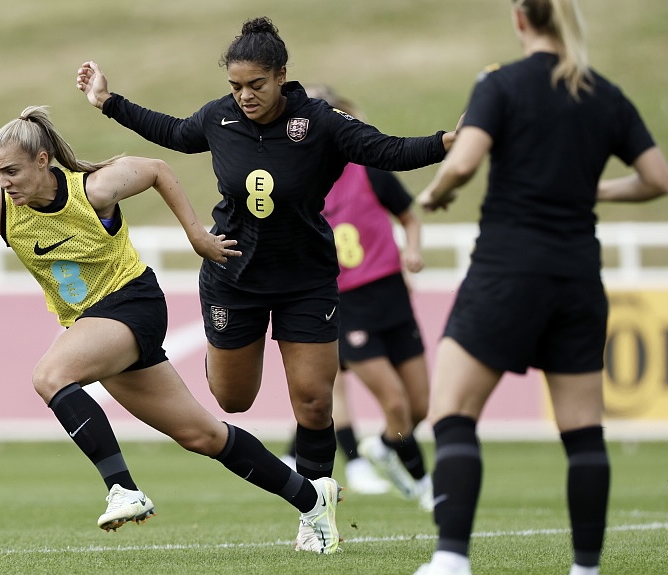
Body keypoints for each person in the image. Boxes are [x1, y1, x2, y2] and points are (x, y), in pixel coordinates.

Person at [76, 17, 455, 497]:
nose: (245, 96)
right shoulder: (219, 117)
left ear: (281, 76)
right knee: (233, 400)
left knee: (314, 403)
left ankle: (317, 511)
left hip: (305, 279)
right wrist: (107, 101)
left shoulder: (320, 121)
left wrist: (448, 142)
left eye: (256, 85)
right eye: (235, 86)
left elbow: (389, 151)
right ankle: (222, 353)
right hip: (234, 276)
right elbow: (172, 131)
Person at [0, 105, 342, 554]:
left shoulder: (92, 189)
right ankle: (312, 500)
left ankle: (123, 489)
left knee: (50, 375)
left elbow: (156, 170)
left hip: (133, 304)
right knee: (202, 435)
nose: (4, 182)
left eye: (12, 171)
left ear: (42, 160)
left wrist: (196, 235)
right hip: (95, 326)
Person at [413, 1, 668, 574]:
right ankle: (586, 569)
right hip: (578, 278)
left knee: (453, 411)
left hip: (507, 271)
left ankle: (451, 560)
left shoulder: (500, 83)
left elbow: (465, 161)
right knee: (583, 432)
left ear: (520, 19)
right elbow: (658, 179)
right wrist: (593, 190)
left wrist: (435, 192)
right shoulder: (603, 93)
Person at [278, 85, 435, 510]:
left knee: (418, 406)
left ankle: (384, 446)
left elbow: (409, 217)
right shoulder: (295, 183)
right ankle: (424, 485)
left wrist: (412, 251)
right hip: (345, 304)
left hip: (391, 293)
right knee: (393, 401)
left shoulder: (369, 169)